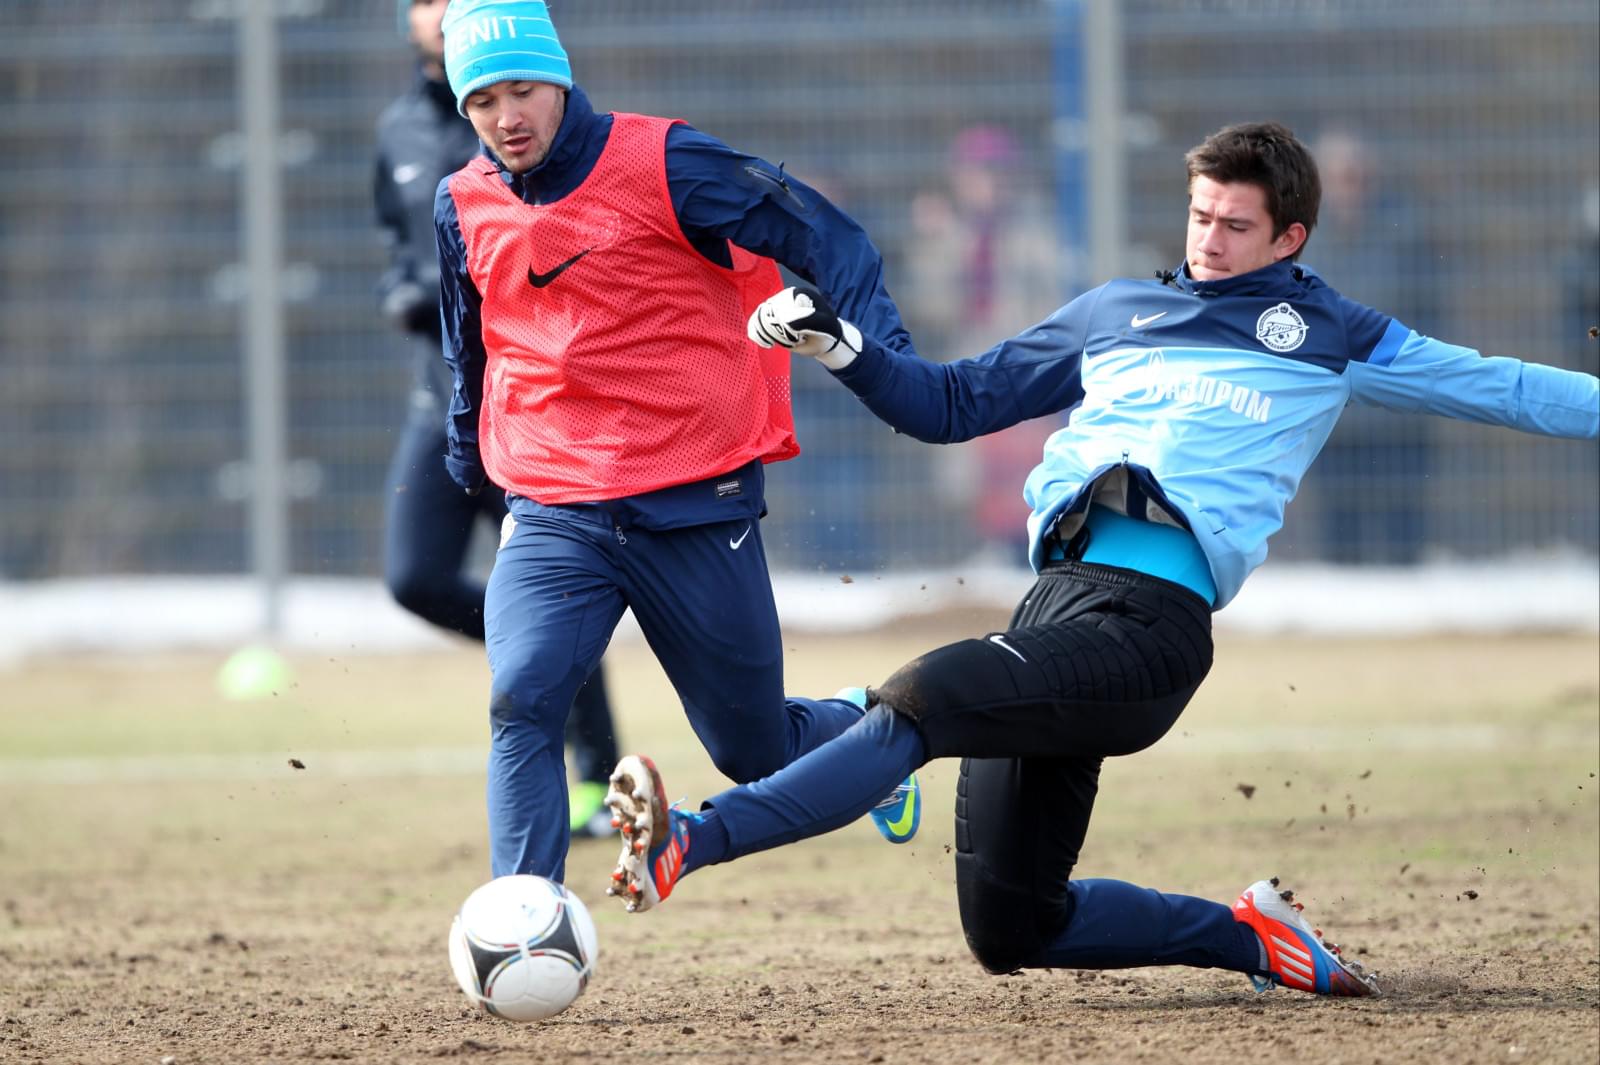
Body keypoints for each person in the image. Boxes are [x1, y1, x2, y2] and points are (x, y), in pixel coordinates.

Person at [601, 121, 1600, 996]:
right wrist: (840, 349)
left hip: (1148, 631)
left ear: (1290, 238)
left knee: (919, 695)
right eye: (1199, 215)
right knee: (1012, 928)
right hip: (1053, 615)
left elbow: (1506, 387)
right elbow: (947, 405)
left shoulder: (1334, 334)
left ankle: (693, 837)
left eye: (1234, 225)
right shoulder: (1113, 313)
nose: (1207, 239)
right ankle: (1250, 937)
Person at [431, 0, 921, 884]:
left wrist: (889, 360)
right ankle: (527, 916)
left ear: (561, 78)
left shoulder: (665, 162)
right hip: (556, 505)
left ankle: (861, 730)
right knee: (523, 698)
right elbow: (469, 346)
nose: (507, 118)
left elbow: (823, 233)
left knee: (752, 746)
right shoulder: (462, 203)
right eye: (482, 101)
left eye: (523, 90)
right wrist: (475, 470)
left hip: (696, 498)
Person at [373, 0, 623, 839]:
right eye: (425, 2)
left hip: (528, 406)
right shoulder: (400, 131)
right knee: (415, 577)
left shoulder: (537, 123)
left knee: (555, 593)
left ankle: (599, 780)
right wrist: (404, 293)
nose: (438, 12)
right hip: (441, 403)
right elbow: (400, 244)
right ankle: (548, 646)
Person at [904, 125, 1066, 561]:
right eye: (975, 172)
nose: (985, 183)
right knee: (970, 470)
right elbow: (932, 305)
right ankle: (981, 552)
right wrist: (937, 240)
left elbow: (1053, 298)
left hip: (1023, 362)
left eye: (995, 172)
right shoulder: (950, 231)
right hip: (967, 360)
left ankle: (1024, 551)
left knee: (1025, 465)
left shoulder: (1035, 228)